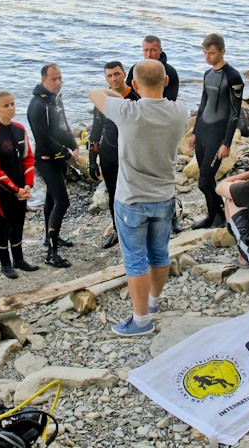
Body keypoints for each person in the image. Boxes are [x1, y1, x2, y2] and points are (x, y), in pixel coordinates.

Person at [89, 59, 188, 336]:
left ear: (133, 84)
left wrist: (118, 91)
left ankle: (141, 320)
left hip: (131, 199)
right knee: (159, 253)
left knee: (135, 260)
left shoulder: (126, 111)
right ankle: (153, 303)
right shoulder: (179, 111)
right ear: (166, 81)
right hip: (164, 196)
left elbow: (95, 94)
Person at [126, 35, 182, 233]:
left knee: (166, 172)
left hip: (163, 129)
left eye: (153, 50)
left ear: (160, 50)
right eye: (146, 50)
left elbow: (170, 102)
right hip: (141, 127)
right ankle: (141, 210)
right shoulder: (136, 70)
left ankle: (172, 215)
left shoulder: (170, 73)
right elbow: (130, 98)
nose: (149, 54)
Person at [0, 91, 40, 278]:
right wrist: (16, 190)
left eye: (12, 104)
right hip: (1, 190)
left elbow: (28, 158)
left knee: (19, 224)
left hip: (21, 188)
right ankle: (5, 264)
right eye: (6, 105)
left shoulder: (20, 129)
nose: (11, 108)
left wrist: (28, 186)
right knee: (4, 226)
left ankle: (19, 259)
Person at [189, 33, 244, 230]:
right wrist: (194, 132)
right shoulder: (207, 74)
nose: (208, 57)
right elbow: (203, 103)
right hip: (203, 132)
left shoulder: (233, 77)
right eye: (205, 53)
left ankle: (218, 212)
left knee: (204, 182)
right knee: (207, 179)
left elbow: (235, 113)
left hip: (218, 135)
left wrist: (226, 143)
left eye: (211, 53)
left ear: (222, 51)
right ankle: (214, 216)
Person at [27, 64, 78, 267]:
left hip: (59, 158)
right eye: (53, 79)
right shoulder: (37, 106)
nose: (58, 83)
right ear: (43, 80)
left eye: (60, 78)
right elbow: (43, 139)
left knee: (51, 199)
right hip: (47, 160)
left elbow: (64, 125)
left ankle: (51, 238)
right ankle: (51, 253)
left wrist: (73, 145)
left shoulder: (56, 99)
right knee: (62, 202)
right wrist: (67, 153)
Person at [89, 61, 139, 249]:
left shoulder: (134, 98)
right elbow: (96, 127)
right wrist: (92, 160)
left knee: (132, 193)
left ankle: (134, 228)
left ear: (124, 74)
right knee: (113, 194)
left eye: (116, 74)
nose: (113, 79)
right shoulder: (103, 99)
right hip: (108, 152)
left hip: (130, 154)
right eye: (109, 76)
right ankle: (118, 229)